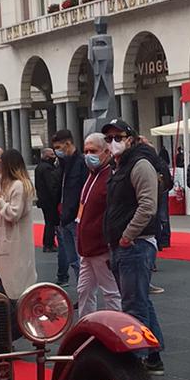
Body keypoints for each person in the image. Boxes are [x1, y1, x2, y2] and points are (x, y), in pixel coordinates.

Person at [101, 118, 164, 373]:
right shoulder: (119, 166)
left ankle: (135, 362)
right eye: (109, 138)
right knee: (141, 302)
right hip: (124, 244)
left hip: (135, 244)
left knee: (133, 305)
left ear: (130, 137)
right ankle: (153, 355)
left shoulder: (139, 165)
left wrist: (127, 236)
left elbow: (148, 205)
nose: (113, 143)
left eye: (118, 137)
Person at [76, 132, 122, 317]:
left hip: (101, 246)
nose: (88, 155)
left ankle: (117, 328)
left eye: (93, 151)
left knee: (110, 292)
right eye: (86, 151)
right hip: (86, 247)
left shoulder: (108, 177)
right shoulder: (92, 175)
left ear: (106, 152)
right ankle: (86, 325)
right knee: (83, 290)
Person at [0, 148, 36, 300]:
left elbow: (13, 213)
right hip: (10, 238)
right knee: (9, 276)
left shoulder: (19, 185)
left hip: (16, 240)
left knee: (15, 279)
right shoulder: (12, 184)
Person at [52, 128, 85, 289]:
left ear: (68, 143)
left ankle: (85, 293)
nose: (57, 151)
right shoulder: (63, 165)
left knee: (80, 261)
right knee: (73, 260)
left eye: (59, 147)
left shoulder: (80, 163)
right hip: (64, 217)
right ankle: (81, 291)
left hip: (75, 218)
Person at [34, 147, 62, 252]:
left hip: (43, 200)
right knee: (51, 223)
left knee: (48, 222)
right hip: (49, 201)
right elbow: (51, 185)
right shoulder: (47, 168)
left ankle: (48, 243)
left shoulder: (39, 167)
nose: (54, 157)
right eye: (52, 155)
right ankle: (49, 244)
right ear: (46, 156)